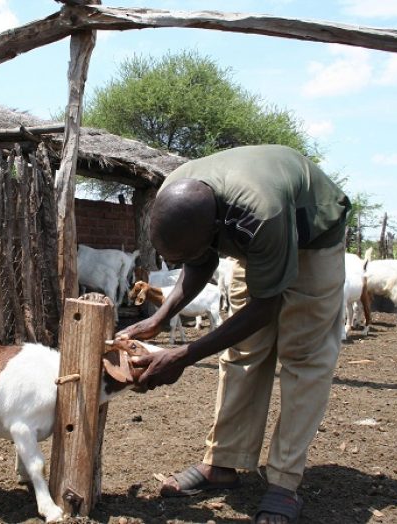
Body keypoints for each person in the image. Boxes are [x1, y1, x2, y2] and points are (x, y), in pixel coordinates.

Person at [118, 144, 351, 524]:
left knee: (303, 358)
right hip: (251, 238)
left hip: (312, 239)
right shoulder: (176, 194)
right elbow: (199, 259)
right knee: (242, 352)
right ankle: (222, 464)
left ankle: (284, 482)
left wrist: (183, 356)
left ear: (213, 228)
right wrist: (159, 318)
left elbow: (265, 306)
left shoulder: (262, 214)